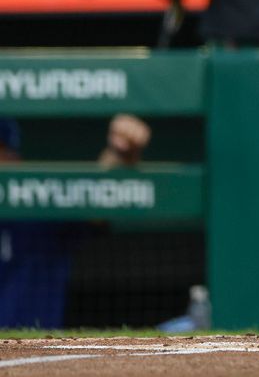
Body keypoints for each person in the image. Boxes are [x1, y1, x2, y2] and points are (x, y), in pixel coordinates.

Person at [0, 113, 151, 329]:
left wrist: (118, 154)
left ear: (14, 159)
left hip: (34, 346)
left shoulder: (37, 214)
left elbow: (94, 202)